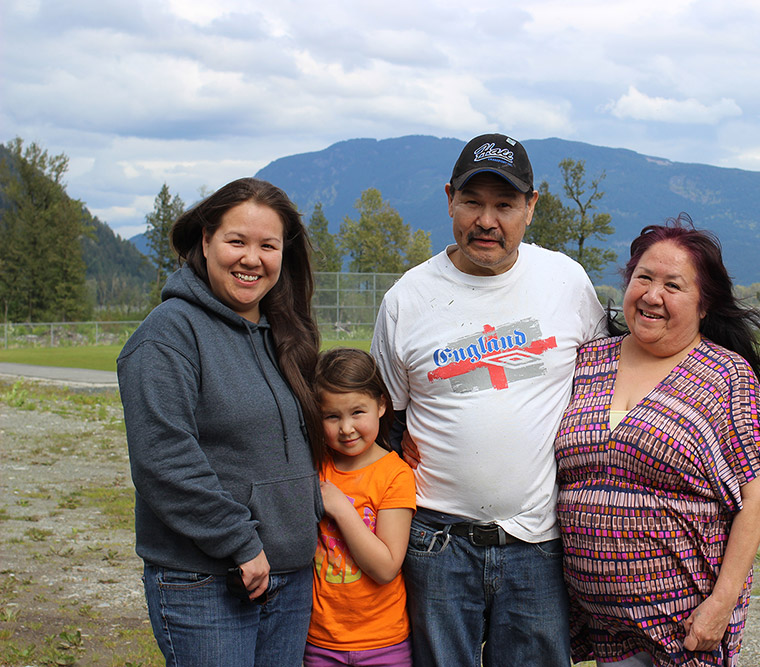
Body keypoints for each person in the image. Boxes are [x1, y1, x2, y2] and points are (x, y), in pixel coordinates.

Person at [370, 132, 607, 666]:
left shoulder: (565, 282)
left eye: (505, 205)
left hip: (539, 542)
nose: (487, 221)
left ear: (531, 208)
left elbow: (604, 387)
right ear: (450, 198)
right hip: (436, 541)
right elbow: (387, 419)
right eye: (473, 202)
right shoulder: (407, 299)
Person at [554, 216, 760, 667]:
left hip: (683, 629)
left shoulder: (725, 377)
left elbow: (757, 497)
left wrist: (720, 606)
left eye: (673, 286)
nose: (652, 295)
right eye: (643, 277)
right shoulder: (588, 360)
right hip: (601, 624)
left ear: (704, 305)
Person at [117, 177, 325, 666]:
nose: (252, 259)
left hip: (290, 574)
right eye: (237, 241)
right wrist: (239, 543)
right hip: (208, 580)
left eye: (267, 245)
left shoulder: (283, 335)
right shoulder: (167, 336)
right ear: (206, 241)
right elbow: (163, 460)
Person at [306, 347, 416, 667]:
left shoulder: (395, 475)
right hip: (321, 641)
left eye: (357, 412)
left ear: (381, 405)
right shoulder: (315, 467)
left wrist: (340, 508)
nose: (346, 428)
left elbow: (385, 568)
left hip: (384, 642)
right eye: (332, 416)